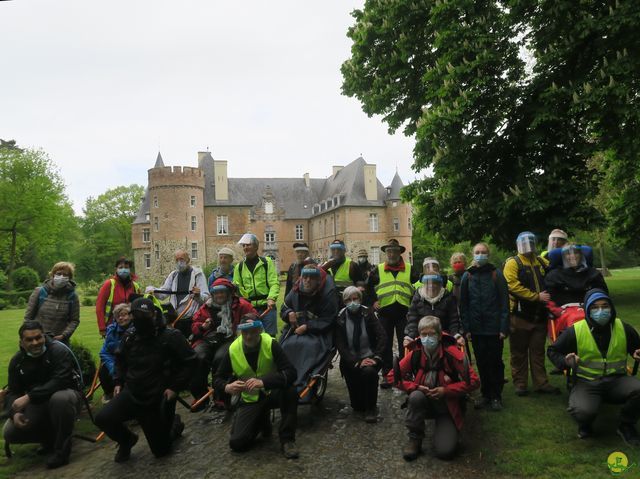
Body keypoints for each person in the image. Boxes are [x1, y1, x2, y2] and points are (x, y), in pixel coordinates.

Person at [94, 298, 196, 462]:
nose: (141, 319)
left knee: (161, 451)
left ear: (154, 314)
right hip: (133, 392)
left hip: (157, 397)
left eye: (145, 315)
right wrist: (118, 382)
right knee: (103, 418)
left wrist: (175, 387)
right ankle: (127, 440)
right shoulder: (130, 336)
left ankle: (173, 425)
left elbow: (191, 362)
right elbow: (120, 359)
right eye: (136, 315)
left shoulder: (170, 336)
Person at [547, 289, 640, 445]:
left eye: (605, 306)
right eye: (595, 307)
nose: (601, 311)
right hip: (587, 382)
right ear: (588, 310)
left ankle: (626, 424)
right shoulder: (576, 331)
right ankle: (585, 423)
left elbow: (636, 347)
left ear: (612, 308)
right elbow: (552, 351)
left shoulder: (623, 327)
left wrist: (636, 353)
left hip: (617, 381)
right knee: (583, 411)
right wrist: (565, 361)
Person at [389, 316, 479, 461]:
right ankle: (415, 439)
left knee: (445, 452)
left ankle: (447, 428)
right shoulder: (416, 353)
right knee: (415, 396)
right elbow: (392, 376)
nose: (427, 338)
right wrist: (416, 387)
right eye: (424, 334)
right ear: (419, 335)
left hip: (447, 405)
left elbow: (474, 381)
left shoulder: (452, 353)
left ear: (439, 335)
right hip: (423, 401)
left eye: (431, 334)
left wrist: (446, 390)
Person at [213, 318, 300, 458]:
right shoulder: (233, 349)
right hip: (251, 398)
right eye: (245, 332)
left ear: (260, 330)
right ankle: (261, 421)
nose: (248, 336)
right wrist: (227, 386)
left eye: (253, 332)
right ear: (240, 332)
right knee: (237, 444)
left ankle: (287, 439)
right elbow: (217, 378)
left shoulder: (271, 343)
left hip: (272, 392)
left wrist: (263, 381)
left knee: (290, 391)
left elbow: (291, 373)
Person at [2, 321, 82, 469]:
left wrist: (29, 397)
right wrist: (14, 413)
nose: (35, 342)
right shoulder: (17, 361)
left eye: (38, 337)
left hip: (66, 395)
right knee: (10, 432)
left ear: (44, 336)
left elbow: (60, 381)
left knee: (60, 399)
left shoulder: (58, 351)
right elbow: (13, 392)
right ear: (21, 342)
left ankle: (61, 452)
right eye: (29, 340)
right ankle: (51, 438)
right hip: (38, 403)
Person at [504, 231, 559, 396]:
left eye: (531, 241)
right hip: (520, 316)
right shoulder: (512, 263)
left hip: (540, 316)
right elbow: (512, 285)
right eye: (524, 242)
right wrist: (536, 297)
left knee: (538, 351)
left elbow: (554, 276)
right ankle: (520, 384)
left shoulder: (542, 262)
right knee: (518, 352)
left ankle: (541, 383)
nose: (528, 245)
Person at [190, 278, 256, 409]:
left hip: (230, 338)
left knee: (220, 359)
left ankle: (221, 397)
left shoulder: (240, 304)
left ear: (229, 293)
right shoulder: (207, 306)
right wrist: (202, 326)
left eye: (222, 292)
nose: (219, 295)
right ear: (212, 294)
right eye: (216, 293)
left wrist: (247, 321)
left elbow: (253, 315)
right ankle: (200, 396)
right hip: (208, 339)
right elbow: (194, 325)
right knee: (197, 357)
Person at [459, 242, 510, 411]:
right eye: (477, 252)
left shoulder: (496, 274)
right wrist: (466, 329)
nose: (480, 255)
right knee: (481, 362)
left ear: (488, 255)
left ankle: (496, 396)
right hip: (476, 329)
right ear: (473, 255)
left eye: (483, 252)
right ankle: (485, 394)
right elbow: (463, 305)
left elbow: (504, 303)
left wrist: (503, 328)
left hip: (494, 328)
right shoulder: (468, 276)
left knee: (495, 362)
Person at [366, 239, 420, 389]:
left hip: (405, 313)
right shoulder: (378, 269)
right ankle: (387, 374)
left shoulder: (410, 269)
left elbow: (419, 286)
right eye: (389, 251)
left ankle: (405, 373)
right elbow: (368, 287)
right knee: (385, 344)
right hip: (384, 313)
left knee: (406, 344)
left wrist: (415, 303)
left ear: (399, 252)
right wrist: (372, 302)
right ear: (386, 253)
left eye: (394, 251)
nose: (391, 253)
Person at [280, 264, 338, 398]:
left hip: (319, 334)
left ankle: (302, 383)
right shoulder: (295, 290)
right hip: (295, 331)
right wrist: (288, 313)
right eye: (305, 277)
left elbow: (329, 319)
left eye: (311, 278)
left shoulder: (328, 293)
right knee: (284, 347)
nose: (307, 280)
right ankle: (285, 379)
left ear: (318, 280)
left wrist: (308, 327)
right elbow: (284, 308)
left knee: (309, 348)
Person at [335, 286, 386, 422]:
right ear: (344, 302)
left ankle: (371, 409)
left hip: (369, 357)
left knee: (369, 372)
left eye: (355, 298)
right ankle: (362, 403)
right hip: (350, 361)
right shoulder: (340, 318)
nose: (352, 302)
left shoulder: (368, 313)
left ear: (360, 299)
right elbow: (341, 346)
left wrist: (376, 358)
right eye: (348, 300)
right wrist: (356, 362)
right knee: (357, 406)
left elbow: (382, 336)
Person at [152, 249, 210, 338]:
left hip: (192, 319)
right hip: (175, 320)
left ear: (188, 260)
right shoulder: (173, 275)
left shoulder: (197, 274)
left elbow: (206, 298)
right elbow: (164, 294)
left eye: (182, 259)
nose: (179, 262)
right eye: (177, 260)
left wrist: (198, 295)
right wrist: (153, 291)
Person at [233, 233, 280, 336]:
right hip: (249, 309)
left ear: (256, 246)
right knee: (250, 337)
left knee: (269, 337)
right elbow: (237, 289)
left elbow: (274, 282)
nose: (245, 247)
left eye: (248, 245)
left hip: (267, 307)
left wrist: (271, 298)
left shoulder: (266, 263)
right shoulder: (239, 267)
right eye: (243, 245)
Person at [23, 262, 80, 344]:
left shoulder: (72, 296)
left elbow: (74, 320)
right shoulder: (40, 292)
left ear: (70, 278)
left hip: (60, 342)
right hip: (37, 340)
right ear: (53, 275)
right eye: (59, 274)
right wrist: (29, 336)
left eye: (65, 275)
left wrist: (64, 335)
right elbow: (28, 318)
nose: (61, 277)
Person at [404, 275, 464, 348]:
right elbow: (413, 319)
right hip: (422, 337)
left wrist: (456, 335)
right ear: (424, 284)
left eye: (435, 283)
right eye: (428, 283)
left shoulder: (448, 297)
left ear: (440, 284)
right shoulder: (417, 297)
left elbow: (453, 320)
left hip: (444, 338)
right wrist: (410, 336)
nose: (431, 286)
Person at [95, 257, 142, 338]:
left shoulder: (135, 286)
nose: (123, 270)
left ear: (130, 269)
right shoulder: (109, 284)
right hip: (112, 326)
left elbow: (139, 306)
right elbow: (99, 307)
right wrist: (102, 328)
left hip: (131, 326)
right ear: (116, 269)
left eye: (126, 267)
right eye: (120, 267)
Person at [99, 303, 133, 401]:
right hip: (115, 364)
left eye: (124, 314)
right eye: (118, 316)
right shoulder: (111, 331)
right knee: (103, 370)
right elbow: (104, 352)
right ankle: (109, 394)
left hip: (129, 364)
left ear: (131, 315)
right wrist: (113, 367)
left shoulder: (136, 329)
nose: (121, 318)